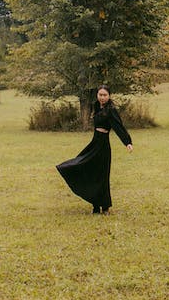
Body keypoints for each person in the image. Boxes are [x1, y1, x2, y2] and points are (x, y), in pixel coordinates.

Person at [56, 85, 133, 214]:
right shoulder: (96, 107)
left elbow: (119, 126)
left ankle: (105, 207)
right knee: (87, 168)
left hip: (103, 146)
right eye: (100, 95)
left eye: (105, 95)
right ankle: (96, 206)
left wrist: (127, 142)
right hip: (94, 143)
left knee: (102, 176)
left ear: (109, 96)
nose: (102, 97)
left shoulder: (111, 110)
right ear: (97, 95)